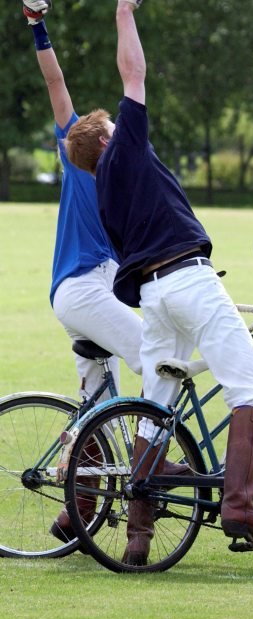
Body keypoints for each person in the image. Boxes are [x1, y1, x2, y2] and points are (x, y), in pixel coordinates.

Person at [65, 0, 253, 564]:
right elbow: (133, 72)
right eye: (117, 125)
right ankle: (239, 503)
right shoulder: (126, 150)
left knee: (156, 404)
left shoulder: (103, 189)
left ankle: (139, 540)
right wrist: (123, 11)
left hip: (155, 299)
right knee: (252, 391)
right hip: (188, 280)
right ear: (108, 141)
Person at [21, 0, 192, 546]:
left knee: (101, 404)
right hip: (82, 287)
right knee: (159, 362)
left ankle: (78, 512)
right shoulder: (82, 157)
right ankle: (154, 472)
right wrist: (38, 25)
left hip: (76, 294)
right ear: (97, 140)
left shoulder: (119, 177)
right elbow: (55, 81)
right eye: (114, 130)